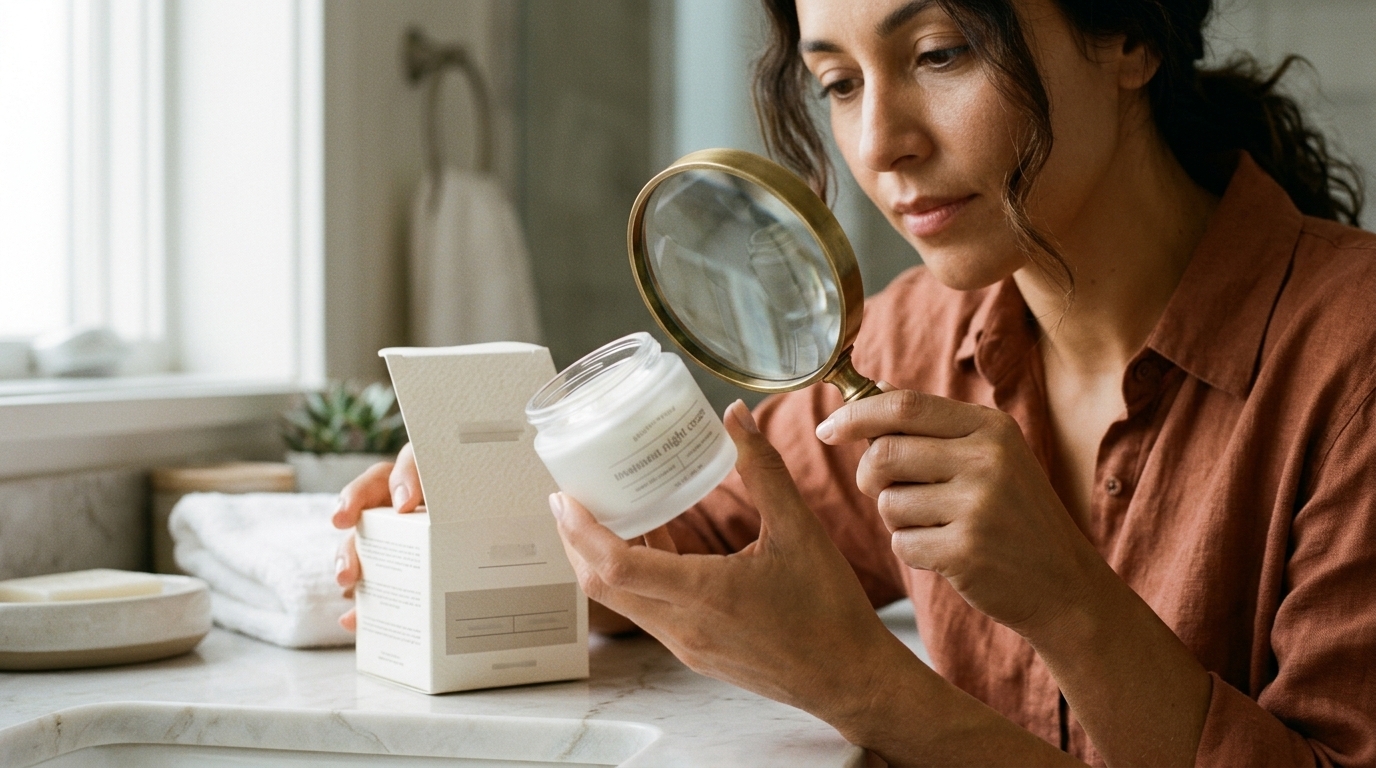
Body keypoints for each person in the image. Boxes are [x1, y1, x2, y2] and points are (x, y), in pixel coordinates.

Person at [333, 0, 1376, 764]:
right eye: (836, 83)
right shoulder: (915, 337)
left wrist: (1018, 623)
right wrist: (485, 511)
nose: (879, 143)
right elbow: (700, 535)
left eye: (937, 52)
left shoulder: (1350, 359)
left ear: (1128, 36)